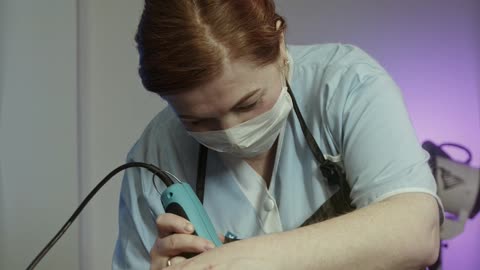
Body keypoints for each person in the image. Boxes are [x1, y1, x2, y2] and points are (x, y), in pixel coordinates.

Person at [112, 1, 444, 269]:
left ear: (280, 45)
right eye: (199, 121)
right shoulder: (154, 156)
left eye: (248, 104)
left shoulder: (346, 85)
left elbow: (417, 232)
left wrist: (250, 259)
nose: (232, 134)